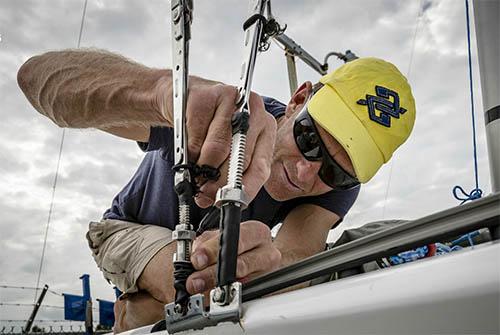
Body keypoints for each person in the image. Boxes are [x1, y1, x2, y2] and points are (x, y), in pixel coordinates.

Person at [17, 49, 415, 332]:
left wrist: (264, 264)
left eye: (335, 172)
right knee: (194, 279)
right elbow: (36, 79)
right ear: (297, 100)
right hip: (126, 229)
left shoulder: (338, 187)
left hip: (199, 258)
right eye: (309, 139)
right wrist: (162, 94)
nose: (305, 170)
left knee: (220, 284)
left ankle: (140, 312)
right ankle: (136, 314)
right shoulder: (221, 118)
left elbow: (298, 255)